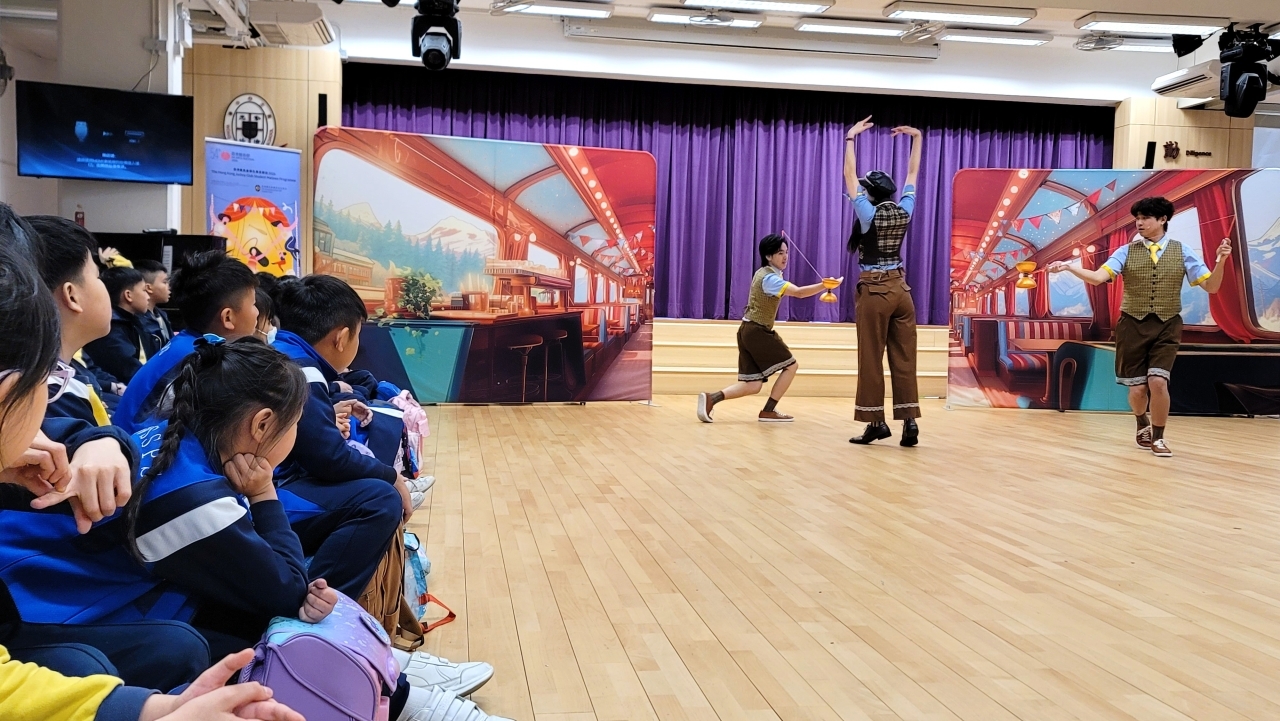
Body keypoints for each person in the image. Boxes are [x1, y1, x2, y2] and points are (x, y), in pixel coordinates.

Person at [0, 232, 292, 720]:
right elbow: (287, 591)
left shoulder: (177, 369)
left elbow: (80, 430)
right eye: (45, 383)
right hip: (57, 595)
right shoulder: (193, 482)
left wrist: (101, 439)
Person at [1048, 196, 1231, 458]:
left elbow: (1211, 286)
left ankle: (1158, 437)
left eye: (1145, 218)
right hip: (1132, 325)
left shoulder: (1183, 251)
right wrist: (1069, 267)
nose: (1139, 223)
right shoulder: (1124, 252)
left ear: (1163, 219)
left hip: (1167, 325)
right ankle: (1141, 420)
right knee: (1137, 389)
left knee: (1158, 382)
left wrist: (1221, 261)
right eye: (1137, 218)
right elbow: (1098, 278)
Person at [842, 116, 924, 447]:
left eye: (865, 188)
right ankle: (909, 422)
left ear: (871, 194)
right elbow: (913, 174)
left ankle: (876, 422)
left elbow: (849, 175)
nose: (860, 189)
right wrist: (917, 137)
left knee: (871, 358)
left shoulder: (868, 213)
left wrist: (851, 138)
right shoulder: (905, 209)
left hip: (874, 291)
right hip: (902, 290)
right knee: (904, 358)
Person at [113, 250, 259, 434]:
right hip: (135, 447)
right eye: (253, 304)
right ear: (228, 317)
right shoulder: (204, 361)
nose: (257, 312)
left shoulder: (189, 344)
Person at [697, 234, 839, 423]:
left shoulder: (764, 273)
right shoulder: (770, 279)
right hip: (757, 331)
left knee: (753, 384)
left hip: (747, 330)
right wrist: (824, 285)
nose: (785, 256)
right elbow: (799, 293)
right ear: (768, 256)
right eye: (780, 253)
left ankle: (711, 399)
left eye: (786, 252)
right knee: (791, 366)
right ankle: (769, 410)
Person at [83, 266, 157, 384]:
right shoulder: (111, 327)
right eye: (144, 290)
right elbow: (130, 370)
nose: (148, 297)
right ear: (128, 295)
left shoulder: (134, 320)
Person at [133, 259, 174, 349]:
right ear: (148, 287)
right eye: (165, 282)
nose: (169, 287)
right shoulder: (137, 321)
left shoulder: (162, 315)